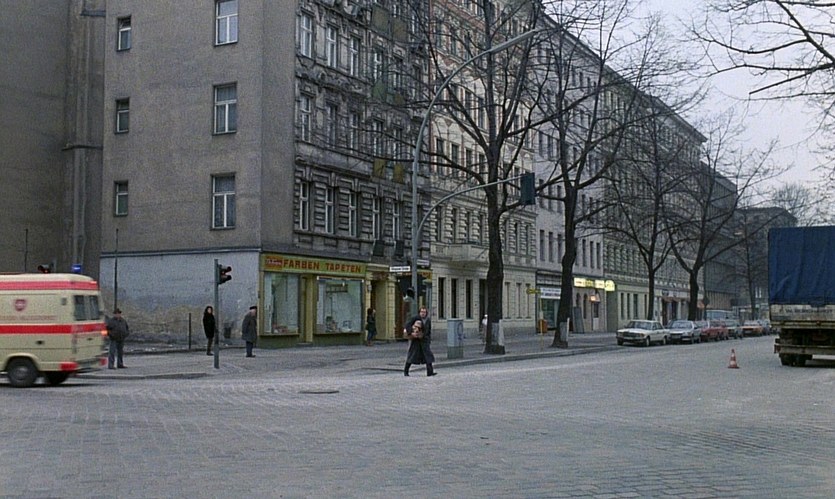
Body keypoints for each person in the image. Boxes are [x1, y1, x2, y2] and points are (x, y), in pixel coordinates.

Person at [402, 306, 435, 377]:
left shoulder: (428, 320)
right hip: (416, 341)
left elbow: (428, 331)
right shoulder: (415, 318)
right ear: (419, 312)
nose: (423, 313)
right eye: (421, 312)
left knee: (428, 356)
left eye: (424, 312)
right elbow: (408, 325)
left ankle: (430, 372)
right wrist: (411, 333)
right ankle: (406, 371)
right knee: (412, 356)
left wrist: (428, 339)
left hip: (424, 340)